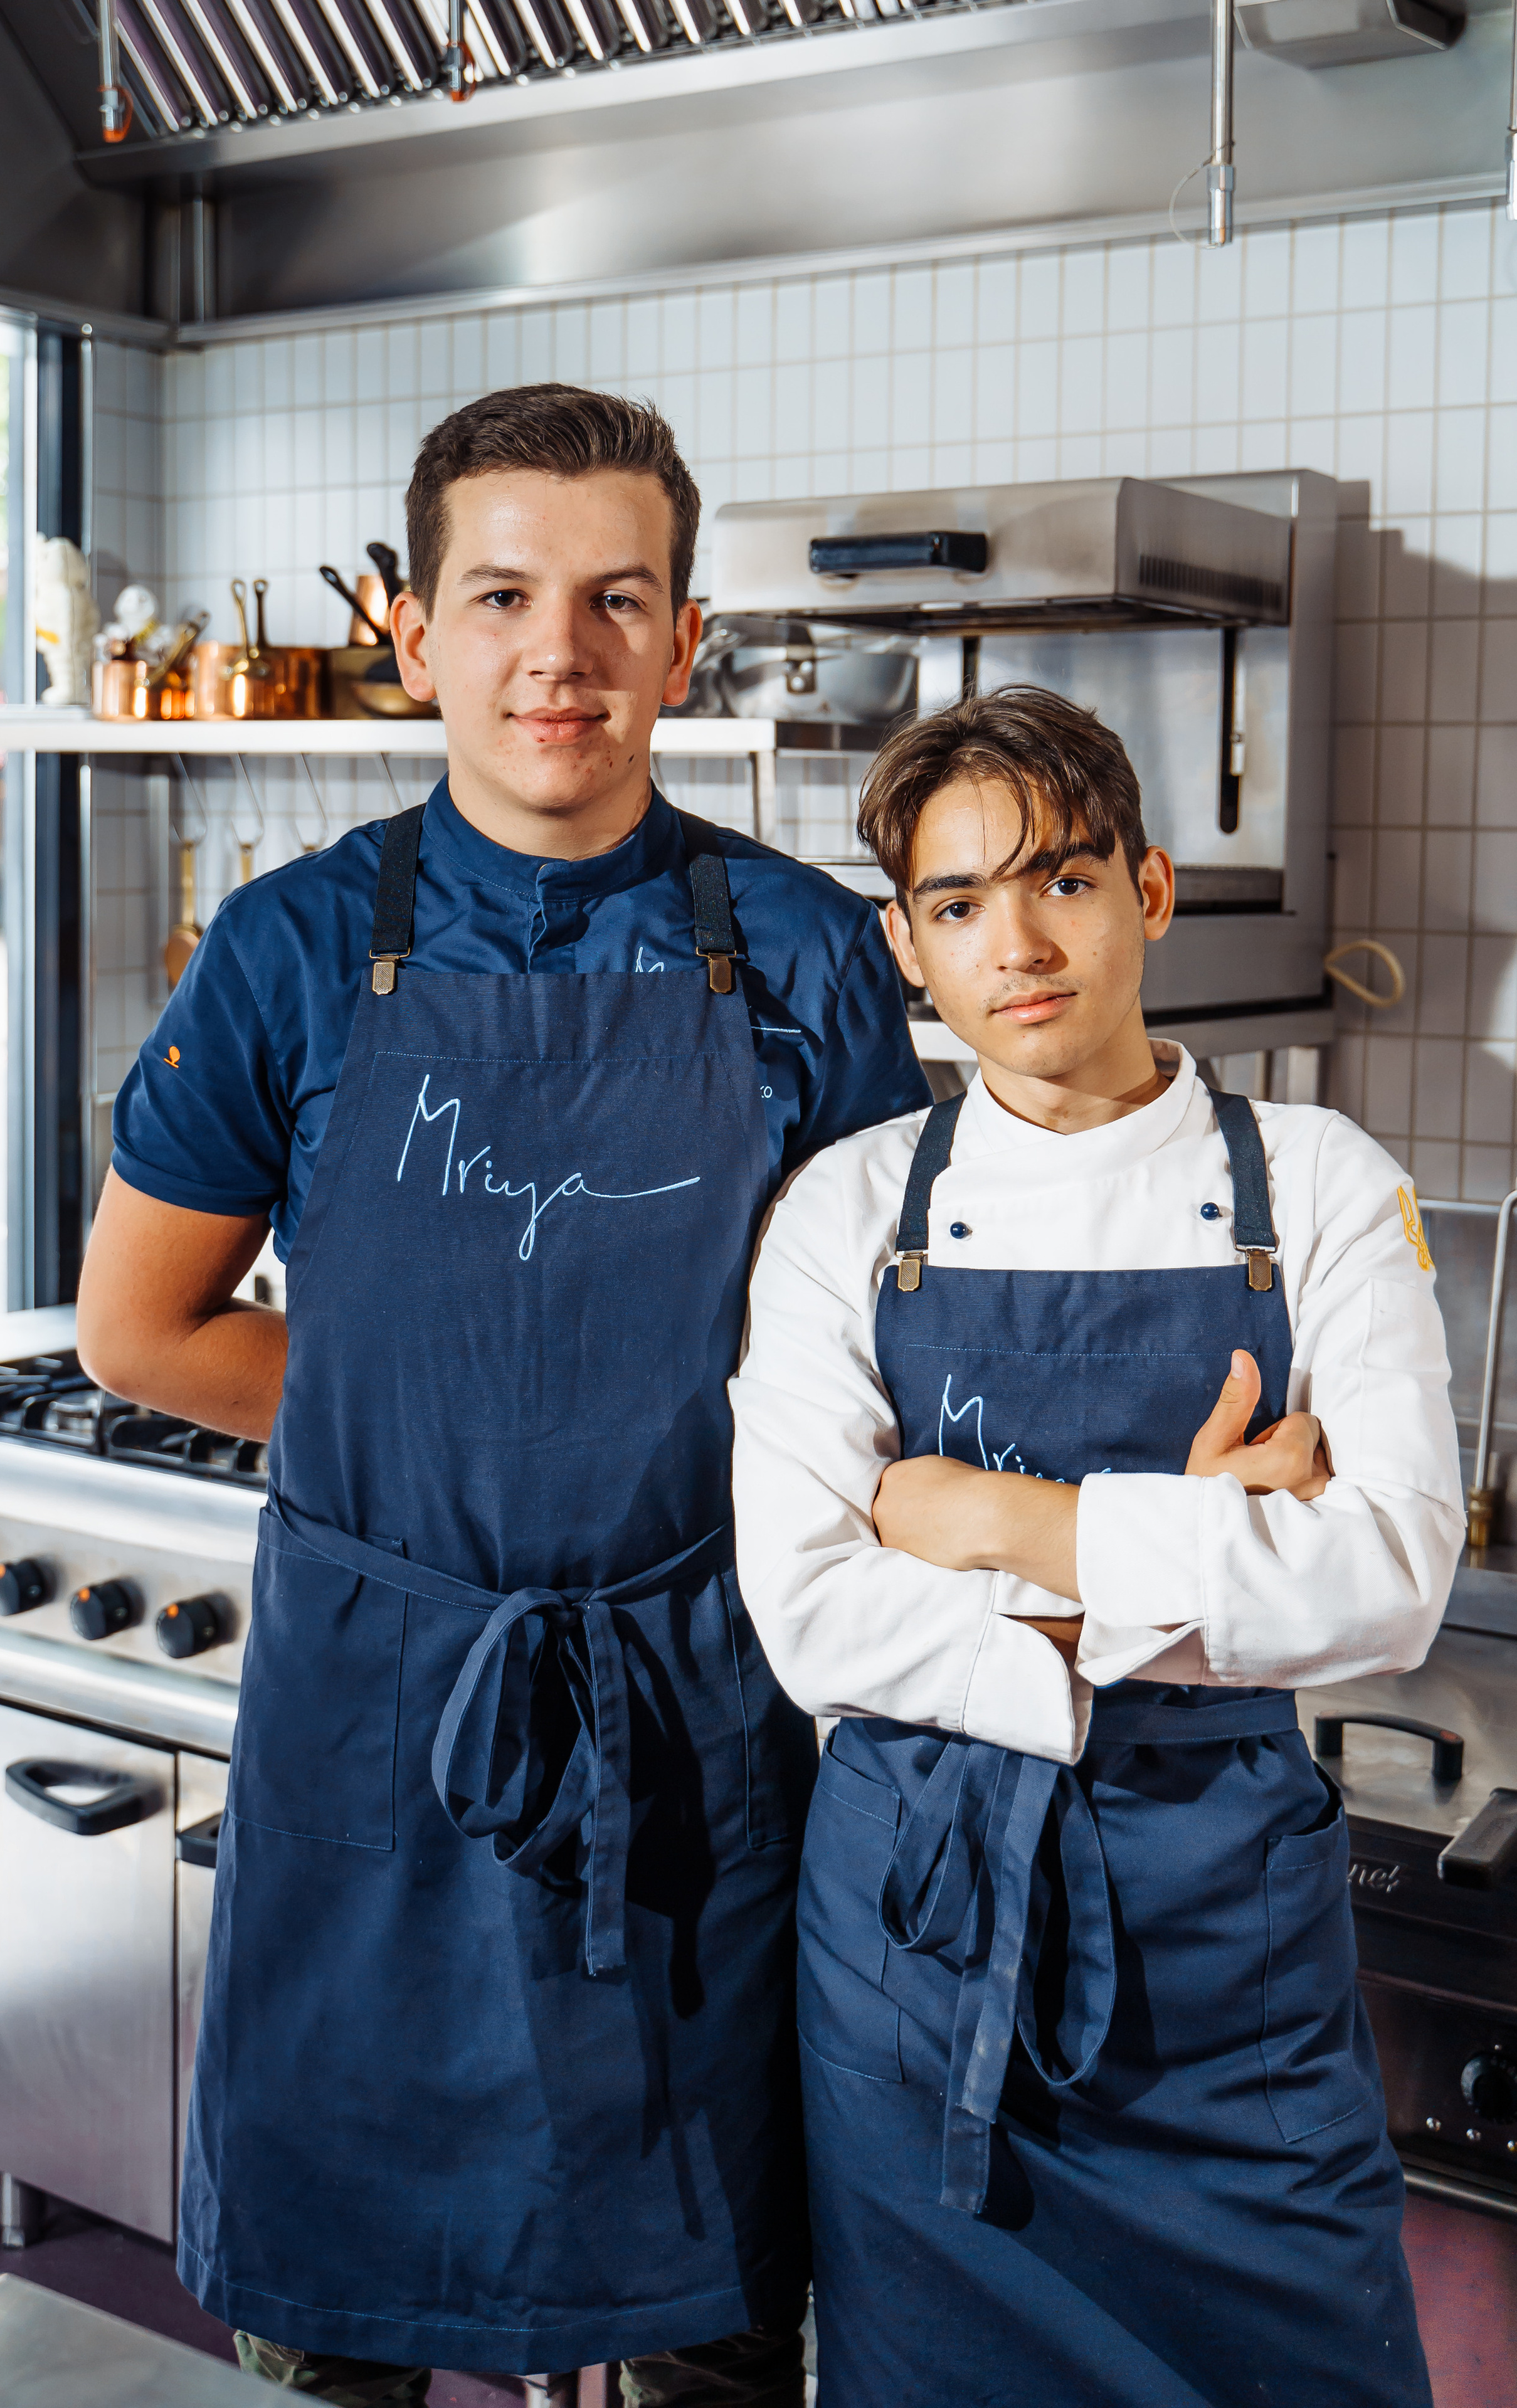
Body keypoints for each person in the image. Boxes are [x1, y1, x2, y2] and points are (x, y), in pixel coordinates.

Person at [76, 384, 930, 2407]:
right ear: (417, 632)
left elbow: (875, 1364)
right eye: (505, 595)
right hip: (378, 1730)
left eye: (619, 598)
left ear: (686, 639)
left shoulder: (805, 958)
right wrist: (422, 1419)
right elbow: (141, 1330)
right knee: (337, 2328)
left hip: (700, 1721)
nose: (563, 653)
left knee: (716, 2323)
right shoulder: (290, 949)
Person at [728, 685, 1463, 2408]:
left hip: (1229, 1931)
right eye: (960, 905)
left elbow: (1391, 1580)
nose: (1018, 942)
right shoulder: (848, 1211)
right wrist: (1204, 1551)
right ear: (908, 948)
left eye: (1061, 879)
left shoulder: (1319, 1184)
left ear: (1151, 886)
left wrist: (1001, 1521)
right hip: (918, 1923)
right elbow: (811, 1612)